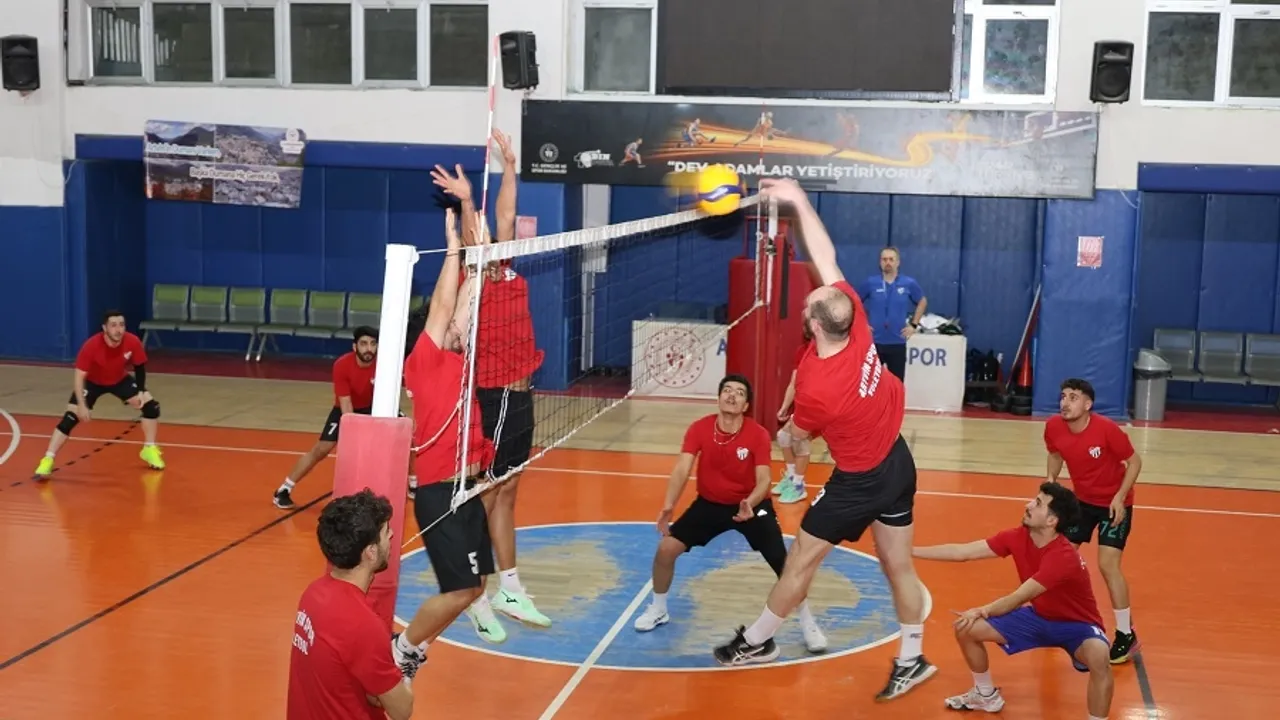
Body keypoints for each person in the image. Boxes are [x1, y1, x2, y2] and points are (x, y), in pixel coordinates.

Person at [712, 178, 934, 703]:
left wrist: (781, 429)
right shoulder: (854, 325)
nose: (813, 290)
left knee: (801, 561)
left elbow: (796, 434)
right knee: (898, 566)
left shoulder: (819, 388)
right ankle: (913, 658)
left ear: (813, 324)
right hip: (898, 460)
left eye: (811, 299)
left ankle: (757, 642)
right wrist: (798, 200)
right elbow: (825, 255)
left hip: (859, 481)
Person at [432, 130, 551, 643]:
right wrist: (464, 202)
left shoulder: (505, 266)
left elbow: (506, 212)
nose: (489, 231)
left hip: (520, 397)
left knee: (508, 491)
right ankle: (473, 591)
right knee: (485, 493)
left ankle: (510, 587)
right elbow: (479, 226)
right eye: (477, 230)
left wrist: (510, 166)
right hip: (495, 396)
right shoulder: (472, 282)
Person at [632, 374, 827, 653]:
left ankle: (808, 622)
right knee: (666, 549)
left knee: (783, 565)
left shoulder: (757, 434)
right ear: (719, 398)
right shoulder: (699, 428)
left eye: (739, 392)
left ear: (746, 405)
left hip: (752, 506)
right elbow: (682, 468)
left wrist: (750, 502)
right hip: (710, 504)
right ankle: (658, 609)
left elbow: (764, 480)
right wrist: (668, 505)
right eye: (727, 390)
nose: (732, 395)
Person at [390, 207, 497, 681]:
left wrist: (482, 257)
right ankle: (402, 647)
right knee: (459, 591)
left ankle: (416, 646)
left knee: (476, 586)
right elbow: (443, 306)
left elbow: (467, 303)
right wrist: (454, 250)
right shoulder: (425, 362)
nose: (460, 323)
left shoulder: (459, 359)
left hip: (468, 490)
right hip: (440, 492)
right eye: (453, 323)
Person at [912, 482, 1113, 719]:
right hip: (1039, 617)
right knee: (966, 629)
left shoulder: (1063, 556)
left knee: (1099, 655)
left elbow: (1019, 597)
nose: (1028, 505)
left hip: (1077, 626)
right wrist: (910, 551)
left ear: (1052, 521)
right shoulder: (1017, 537)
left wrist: (982, 610)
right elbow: (963, 552)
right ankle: (985, 694)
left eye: (1038, 504)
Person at [287, 488, 414, 720]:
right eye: (386, 531)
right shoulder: (362, 624)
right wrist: (405, 669)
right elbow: (402, 710)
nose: (392, 535)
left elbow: (344, 676)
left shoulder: (312, 594)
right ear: (371, 552)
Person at [1045, 377, 1143, 664]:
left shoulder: (1107, 429)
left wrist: (1120, 497)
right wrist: (1051, 481)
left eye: (1073, 397)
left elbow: (1135, 462)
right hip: (1082, 503)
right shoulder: (1053, 426)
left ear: (1088, 405)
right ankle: (1055, 618)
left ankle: (1125, 634)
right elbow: (1055, 454)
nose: (1065, 402)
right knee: (1058, 556)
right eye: (1063, 396)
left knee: (1107, 565)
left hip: (1114, 504)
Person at [274, 327, 407, 509]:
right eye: (364, 344)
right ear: (355, 347)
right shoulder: (342, 365)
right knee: (321, 449)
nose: (369, 349)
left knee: (408, 435)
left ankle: (413, 484)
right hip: (346, 408)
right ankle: (284, 489)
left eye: (373, 344)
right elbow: (346, 405)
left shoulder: (384, 364)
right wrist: (353, 434)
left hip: (375, 406)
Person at [33, 310, 165, 479]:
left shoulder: (132, 341)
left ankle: (149, 449)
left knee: (151, 407)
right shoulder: (91, 346)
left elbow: (139, 367)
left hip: (119, 379)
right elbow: (79, 378)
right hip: (92, 383)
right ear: (104, 328)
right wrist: (82, 405)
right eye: (113, 325)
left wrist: (140, 391)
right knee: (70, 418)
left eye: (122, 325)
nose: (118, 330)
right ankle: (47, 459)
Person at [857, 247, 926, 381]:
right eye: (884, 259)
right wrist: (862, 323)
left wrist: (913, 325)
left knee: (897, 383)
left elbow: (922, 301)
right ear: (880, 262)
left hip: (897, 341)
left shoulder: (908, 283)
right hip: (874, 342)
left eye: (891, 259)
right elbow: (855, 302)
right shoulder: (870, 283)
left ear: (898, 262)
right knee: (870, 384)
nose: (887, 262)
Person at [771, 336, 815, 504]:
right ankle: (791, 477)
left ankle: (798, 485)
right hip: (805, 404)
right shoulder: (802, 350)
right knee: (783, 435)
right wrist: (784, 407)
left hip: (822, 403)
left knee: (799, 438)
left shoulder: (829, 350)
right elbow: (793, 383)